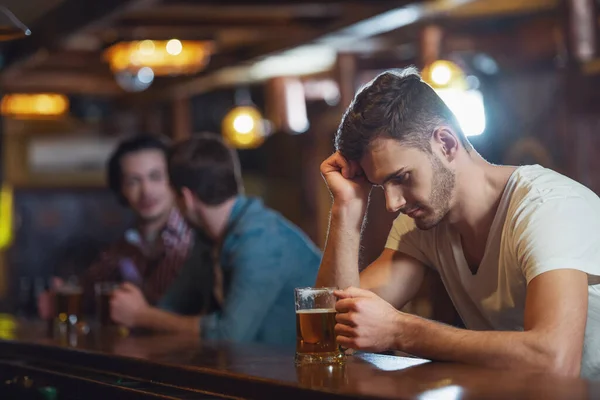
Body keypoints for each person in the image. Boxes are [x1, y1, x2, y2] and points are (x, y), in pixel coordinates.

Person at [316, 67, 600, 378]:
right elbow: (333, 330)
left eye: (401, 178)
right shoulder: (421, 223)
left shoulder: (547, 208)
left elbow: (556, 362)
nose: (392, 202)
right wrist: (347, 207)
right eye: (382, 185)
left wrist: (402, 330)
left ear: (447, 144)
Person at [117, 132, 321, 346]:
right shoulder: (208, 236)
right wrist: (145, 315)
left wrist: (142, 315)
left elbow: (230, 335)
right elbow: (172, 306)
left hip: (307, 373)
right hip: (254, 371)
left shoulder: (261, 240)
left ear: (186, 198)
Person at [38, 134, 209, 326]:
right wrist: (62, 294)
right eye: (133, 181)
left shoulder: (195, 240)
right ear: (121, 190)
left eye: (156, 177)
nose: (146, 191)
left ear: (174, 181)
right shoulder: (126, 245)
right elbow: (88, 288)